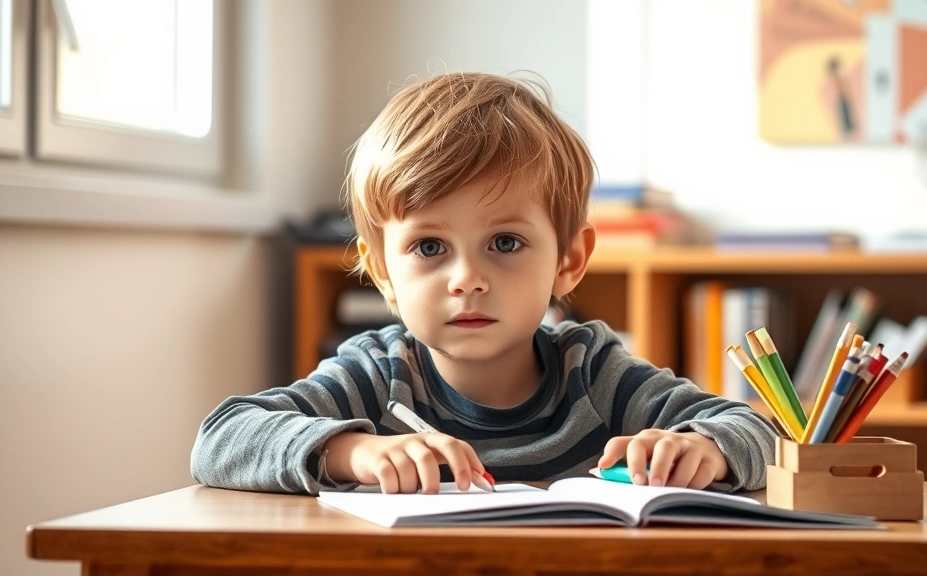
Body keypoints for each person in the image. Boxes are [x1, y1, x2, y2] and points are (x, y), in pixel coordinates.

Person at [190, 72, 777, 496]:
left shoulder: (593, 372)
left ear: (569, 260)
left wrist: (704, 448)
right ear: (383, 273)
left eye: (504, 243)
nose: (467, 279)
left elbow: (763, 434)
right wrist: (353, 451)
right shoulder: (376, 377)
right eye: (428, 247)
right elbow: (219, 440)